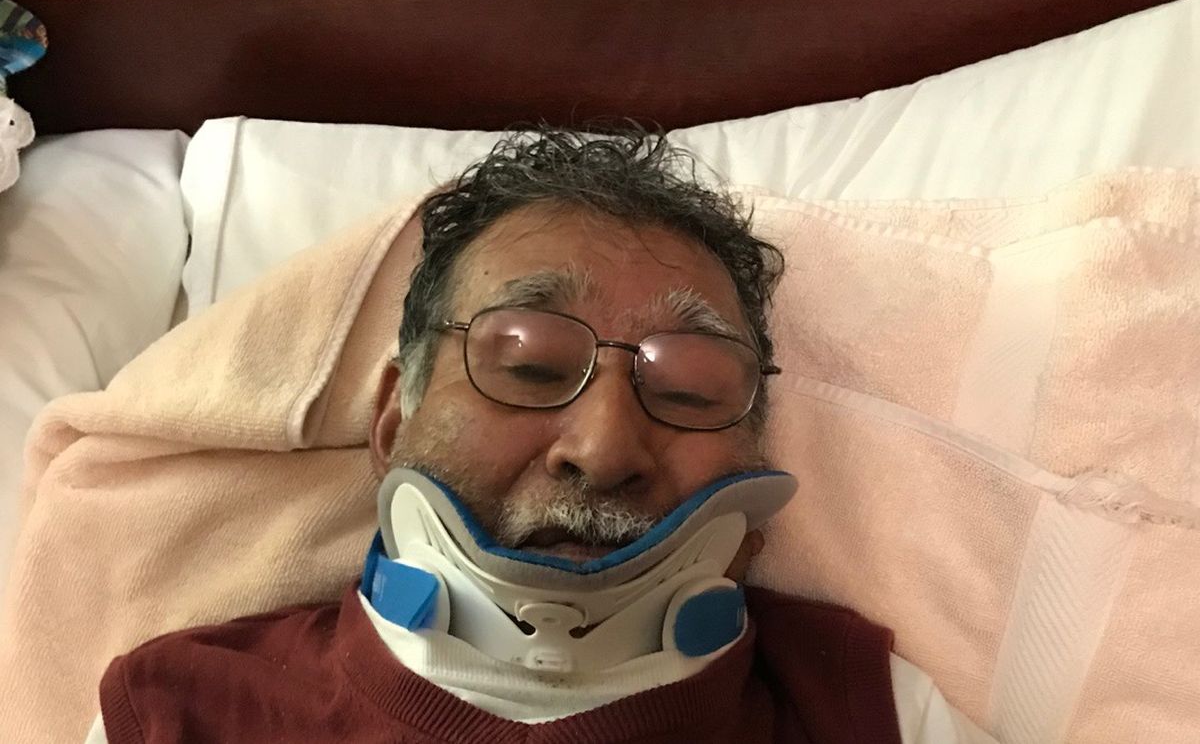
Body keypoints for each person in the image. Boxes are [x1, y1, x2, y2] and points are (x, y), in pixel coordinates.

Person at [86, 128, 996, 743]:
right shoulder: (176, 715)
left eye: (687, 388)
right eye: (526, 365)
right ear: (393, 421)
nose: (603, 450)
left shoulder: (872, 713)